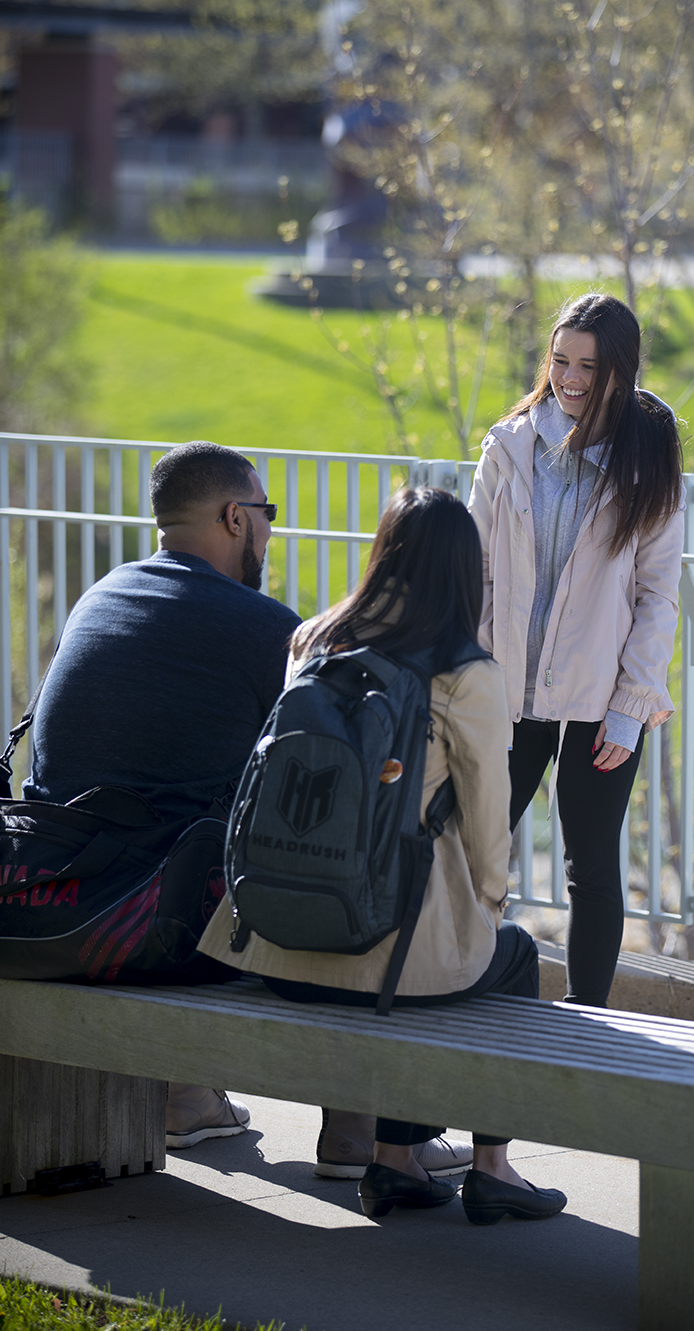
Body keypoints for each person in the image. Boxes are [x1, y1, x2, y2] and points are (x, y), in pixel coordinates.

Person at [200, 486, 567, 1226]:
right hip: (379, 961)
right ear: (467, 574)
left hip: (276, 949)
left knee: (434, 960)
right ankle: (492, 1167)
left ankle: (397, 1163)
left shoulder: (311, 642)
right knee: (511, 957)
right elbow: (487, 819)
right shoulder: (465, 670)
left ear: (383, 554)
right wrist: (486, 906)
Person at [23, 439, 301, 1149]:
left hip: (47, 900)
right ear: (236, 517)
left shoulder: (101, 597)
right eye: (266, 513)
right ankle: (370, 1136)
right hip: (155, 932)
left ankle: (188, 1092)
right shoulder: (264, 629)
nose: (268, 529)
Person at [469, 293, 685, 1008]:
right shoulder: (509, 444)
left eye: (586, 366)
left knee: (590, 868)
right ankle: (456, 986)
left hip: (599, 700)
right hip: (505, 693)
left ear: (617, 372)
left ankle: (585, 1022)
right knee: (474, 852)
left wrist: (630, 708)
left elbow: (657, 596)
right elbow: (476, 572)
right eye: (560, 360)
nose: (568, 377)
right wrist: (464, 680)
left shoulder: (647, 456)